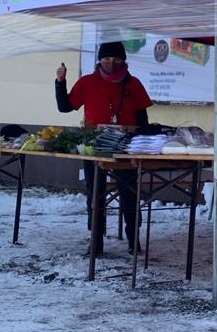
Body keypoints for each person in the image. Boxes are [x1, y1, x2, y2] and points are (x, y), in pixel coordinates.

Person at [54, 41, 153, 254]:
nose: (111, 63)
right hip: (95, 147)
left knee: (129, 192)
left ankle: (133, 239)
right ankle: (96, 241)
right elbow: (64, 107)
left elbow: (142, 118)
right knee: (95, 194)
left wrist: (141, 141)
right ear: (100, 60)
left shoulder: (133, 83)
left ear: (123, 60)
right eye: (107, 59)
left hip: (125, 147)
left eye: (116, 59)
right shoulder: (87, 82)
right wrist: (60, 81)